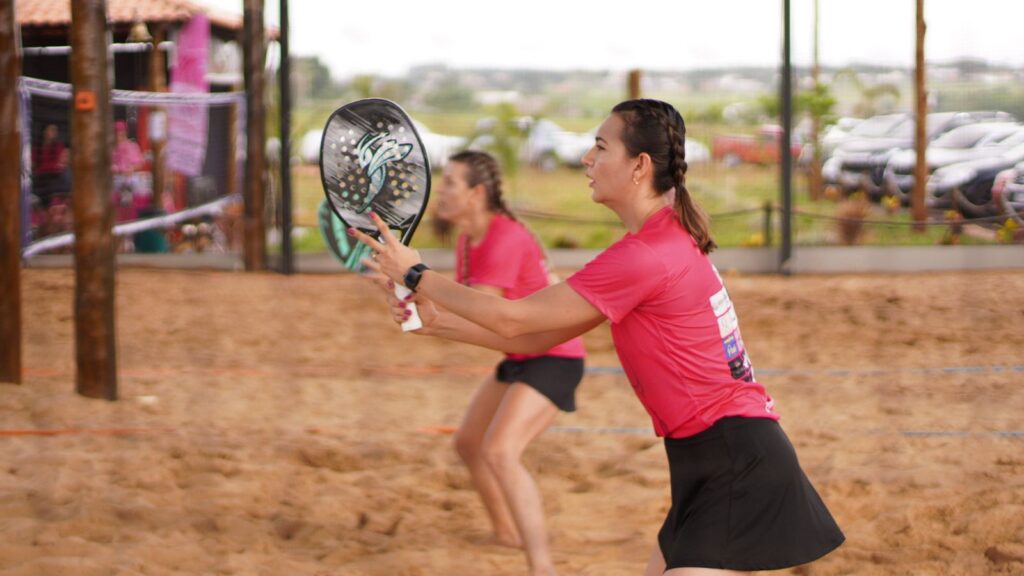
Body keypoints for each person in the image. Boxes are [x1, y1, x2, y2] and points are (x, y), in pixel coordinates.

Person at [354, 99, 844, 575]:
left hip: (738, 460)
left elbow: (515, 320)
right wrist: (437, 321)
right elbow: (535, 340)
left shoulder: (647, 255)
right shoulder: (659, 240)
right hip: (708, 460)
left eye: (601, 146)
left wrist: (416, 274)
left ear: (639, 166)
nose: (587, 158)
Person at [367, 150, 585, 576]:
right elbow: (456, 312)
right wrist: (402, 291)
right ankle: (507, 532)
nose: (440, 190)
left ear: (477, 193)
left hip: (553, 357)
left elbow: (481, 315)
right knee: (468, 444)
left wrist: (412, 286)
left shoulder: (504, 236)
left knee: (501, 452)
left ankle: (543, 567)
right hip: (519, 355)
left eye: (450, 182)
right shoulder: (470, 238)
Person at [111, 120, 147, 221]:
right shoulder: (111, 148)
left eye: (121, 134)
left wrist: (131, 168)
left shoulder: (132, 146)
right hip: (116, 183)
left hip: (131, 182)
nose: (118, 136)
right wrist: (114, 169)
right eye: (116, 134)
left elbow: (139, 163)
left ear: (125, 134)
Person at [31, 124, 69, 208]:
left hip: (54, 176)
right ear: (44, 132)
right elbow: (34, 165)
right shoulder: (37, 148)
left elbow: (59, 165)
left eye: (55, 131)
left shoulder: (59, 146)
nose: (54, 133)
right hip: (41, 176)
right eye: (51, 130)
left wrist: (45, 167)